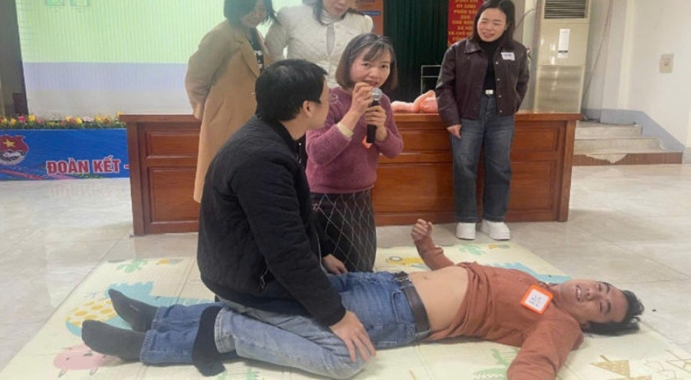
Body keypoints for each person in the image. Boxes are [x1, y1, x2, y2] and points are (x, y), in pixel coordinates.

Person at [82, 218, 644, 379]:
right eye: (601, 286)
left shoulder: (561, 325)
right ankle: (161, 315)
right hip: (381, 283)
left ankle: (148, 344)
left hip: (394, 314)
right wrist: (427, 250)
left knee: (280, 317)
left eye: (601, 305)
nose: (592, 293)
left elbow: (537, 365)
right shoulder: (534, 283)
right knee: (278, 299)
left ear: (592, 324)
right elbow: (465, 276)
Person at [196, 59, 374, 369]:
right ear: (307, 107)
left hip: (241, 272)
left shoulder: (270, 136)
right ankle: (224, 328)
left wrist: (323, 251)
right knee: (349, 358)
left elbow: (291, 213)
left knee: (345, 288)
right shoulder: (262, 159)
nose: (332, 103)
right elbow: (286, 252)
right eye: (327, 98)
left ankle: (170, 318)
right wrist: (337, 317)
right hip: (249, 285)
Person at [306, 33, 403, 272]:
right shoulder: (328, 99)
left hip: (362, 196)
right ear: (349, 63)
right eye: (367, 64)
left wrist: (381, 131)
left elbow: (395, 150)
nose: (375, 73)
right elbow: (317, 153)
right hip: (325, 198)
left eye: (384, 66)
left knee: (363, 267)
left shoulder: (382, 100)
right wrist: (354, 112)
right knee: (336, 271)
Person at [435, 0, 529, 241]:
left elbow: (522, 83)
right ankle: (466, 219)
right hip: (467, 115)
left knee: (499, 167)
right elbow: (444, 88)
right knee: (464, 167)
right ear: (476, 21)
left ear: (507, 25)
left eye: (496, 23)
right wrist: (451, 119)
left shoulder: (517, 51)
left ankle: (494, 219)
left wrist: (511, 105)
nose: (488, 27)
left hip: (502, 116)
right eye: (484, 21)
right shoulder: (458, 50)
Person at [185, 0, 274, 203]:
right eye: (251, 8)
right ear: (236, 5)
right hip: (226, 122)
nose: (257, 14)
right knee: (223, 184)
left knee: (247, 180)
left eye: (262, 9)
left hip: (254, 120)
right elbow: (195, 79)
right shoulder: (221, 35)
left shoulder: (255, 34)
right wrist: (210, 112)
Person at [265, 0, 374, 88]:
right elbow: (271, 52)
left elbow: (364, 62)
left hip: (343, 94)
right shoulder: (291, 15)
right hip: (299, 91)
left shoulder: (362, 23)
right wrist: (287, 79)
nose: (342, 2)